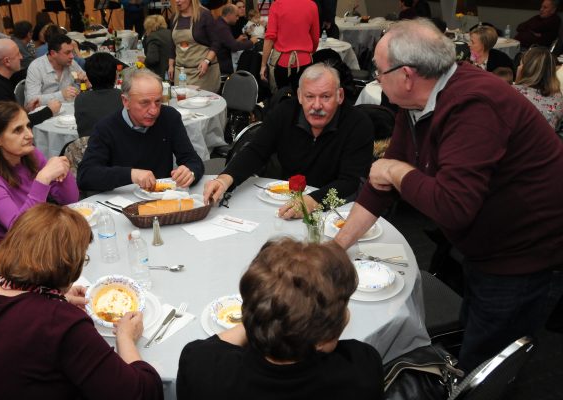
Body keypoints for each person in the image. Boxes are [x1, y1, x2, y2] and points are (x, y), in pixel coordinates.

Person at [334, 19, 563, 373]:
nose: (377, 79)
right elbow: (379, 188)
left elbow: (454, 207)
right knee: (474, 332)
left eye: (379, 72)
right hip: (484, 246)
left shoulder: (475, 105)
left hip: (522, 254)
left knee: (486, 363)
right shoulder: (414, 103)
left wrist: (396, 171)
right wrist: (336, 248)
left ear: (407, 75)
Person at [0, 203, 164, 399]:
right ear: (70, 266)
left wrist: (53, 299)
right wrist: (125, 337)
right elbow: (140, 393)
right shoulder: (62, 323)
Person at [177, 238, 384, 400]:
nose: (347, 315)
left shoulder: (202, 367)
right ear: (322, 337)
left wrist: (260, 313)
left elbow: (209, 349)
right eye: (344, 307)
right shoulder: (360, 369)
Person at [203, 63, 373, 217]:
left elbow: (350, 181)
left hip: (335, 211)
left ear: (340, 96)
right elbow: (256, 151)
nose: (317, 105)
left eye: (326, 97)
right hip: (286, 202)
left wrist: (312, 201)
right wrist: (225, 179)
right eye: (309, 96)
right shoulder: (284, 113)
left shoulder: (358, 124)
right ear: (299, 96)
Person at [77, 68, 204, 192]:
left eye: (158, 102)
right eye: (145, 103)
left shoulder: (169, 117)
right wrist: (131, 174)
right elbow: (86, 175)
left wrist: (190, 172)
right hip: (121, 201)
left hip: (162, 198)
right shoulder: (106, 128)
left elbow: (192, 160)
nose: (154, 110)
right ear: (126, 102)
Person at [0, 101, 78, 241]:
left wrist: (63, 171)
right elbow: (19, 229)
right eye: (18, 130)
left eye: (28, 126)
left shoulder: (31, 155)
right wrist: (43, 179)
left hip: (41, 231)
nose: (30, 135)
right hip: (8, 248)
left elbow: (70, 201)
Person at [0, 38, 61, 129]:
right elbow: (16, 124)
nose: (21, 57)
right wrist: (49, 111)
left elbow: (9, 116)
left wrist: (25, 110)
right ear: (7, 61)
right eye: (17, 54)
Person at [260, 0, 319, 92]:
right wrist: (311, 52)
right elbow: (315, 37)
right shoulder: (312, 5)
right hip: (305, 61)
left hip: (282, 62)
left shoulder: (277, 5)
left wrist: (263, 65)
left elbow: (270, 38)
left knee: (281, 99)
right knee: (304, 100)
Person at [168, 0, 222, 93]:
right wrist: (170, 65)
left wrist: (207, 61)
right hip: (181, 74)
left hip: (201, 73)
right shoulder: (174, 18)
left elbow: (216, 42)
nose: (177, 1)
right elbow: (173, 45)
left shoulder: (204, 15)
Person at [25, 33, 85, 104]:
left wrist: (84, 82)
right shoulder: (36, 67)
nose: (72, 56)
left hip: (71, 108)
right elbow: (31, 100)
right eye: (67, 53)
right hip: (48, 112)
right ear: (53, 53)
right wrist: (61, 95)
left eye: (72, 52)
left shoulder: (71, 63)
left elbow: (81, 85)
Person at [514, 47, 563, 131]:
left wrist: (517, 82)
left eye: (521, 64)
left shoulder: (513, 93)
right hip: (546, 142)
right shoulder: (558, 97)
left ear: (526, 69)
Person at [74, 52, 123, 137]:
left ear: (88, 77)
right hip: (119, 148)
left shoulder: (80, 99)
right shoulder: (124, 97)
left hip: (89, 147)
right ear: (115, 76)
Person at [215, 4, 256, 76]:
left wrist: (237, 40)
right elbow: (234, 47)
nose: (237, 18)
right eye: (236, 16)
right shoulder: (222, 27)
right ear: (229, 15)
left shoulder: (220, 23)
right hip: (222, 66)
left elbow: (227, 43)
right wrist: (251, 42)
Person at [143, 14, 174, 79]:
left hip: (160, 74)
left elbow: (152, 59)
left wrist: (144, 61)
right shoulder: (171, 32)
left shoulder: (153, 36)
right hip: (173, 70)